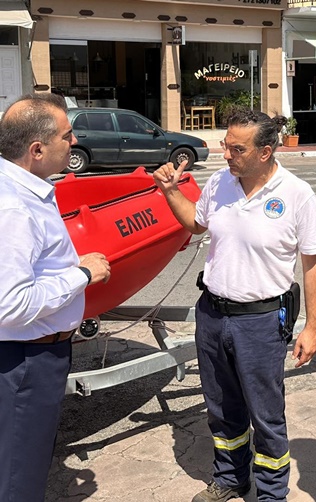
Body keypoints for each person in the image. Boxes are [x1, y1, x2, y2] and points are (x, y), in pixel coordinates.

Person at [153, 108, 316, 502]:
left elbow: (314, 261)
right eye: (225, 146)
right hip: (212, 315)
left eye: (236, 149)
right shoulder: (219, 182)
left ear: (265, 152)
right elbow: (197, 225)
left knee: (265, 414)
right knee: (221, 406)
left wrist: (312, 326)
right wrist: (171, 192)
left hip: (261, 321)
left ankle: (270, 493)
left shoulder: (296, 194)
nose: (225, 155)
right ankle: (231, 478)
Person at [0, 93, 111, 501]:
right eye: (67, 135)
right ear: (37, 149)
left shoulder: (19, 189)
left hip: (28, 355)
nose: (74, 140)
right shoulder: (13, 207)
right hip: (25, 360)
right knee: (18, 477)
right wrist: (81, 274)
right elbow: (9, 304)